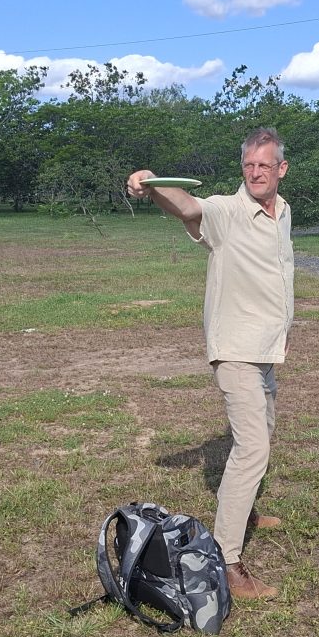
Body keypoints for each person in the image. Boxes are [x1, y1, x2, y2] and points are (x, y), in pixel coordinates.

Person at [126, 127, 293, 600]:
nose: (255, 173)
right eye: (248, 165)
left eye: (264, 165)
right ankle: (227, 561)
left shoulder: (283, 211)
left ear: (281, 169)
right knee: (253, 448)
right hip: (236, 350)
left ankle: (242, 510)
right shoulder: (228, 211)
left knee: (262, 433)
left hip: (266, 349)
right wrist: (152, 184)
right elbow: (189, 207)